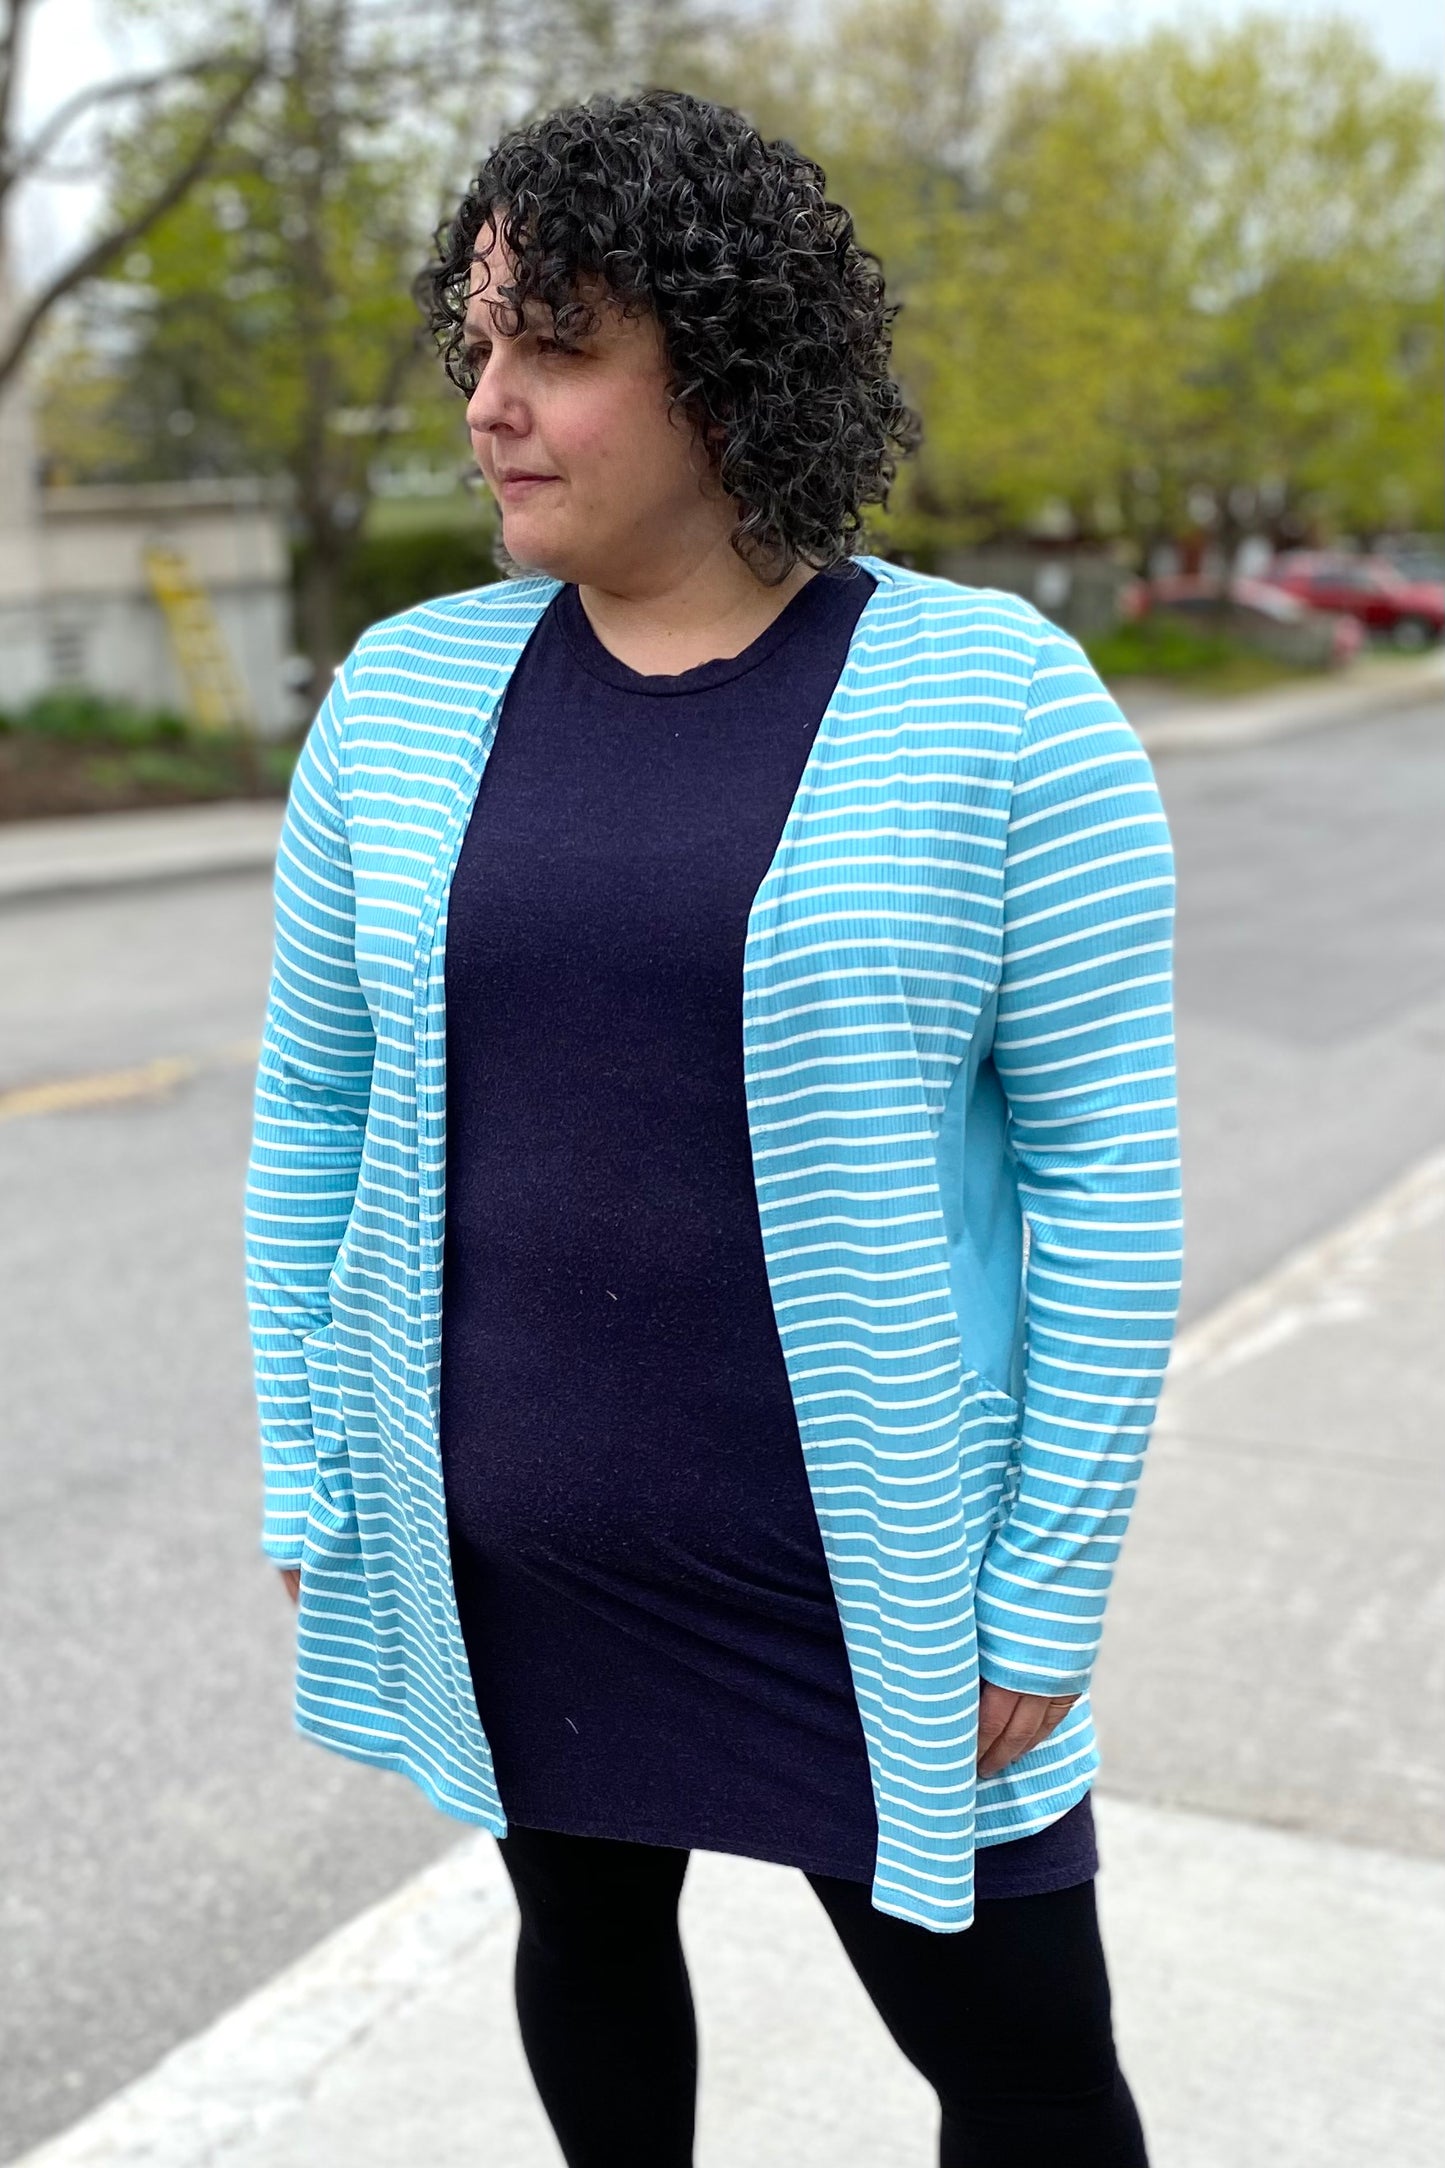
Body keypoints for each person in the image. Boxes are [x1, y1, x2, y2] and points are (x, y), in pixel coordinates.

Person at [245, 87, 1180, 2168]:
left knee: (1027, 2068)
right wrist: (315, 1469)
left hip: (873, 1584)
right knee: (585, 1950)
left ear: (730, 371)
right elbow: (315, 1107)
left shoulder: (1003, 705)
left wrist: (1043, 1585)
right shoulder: (400, 698)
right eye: (477, 342)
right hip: (513, 1547)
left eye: (556, 346)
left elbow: (1106, 1176)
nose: (489, 402)